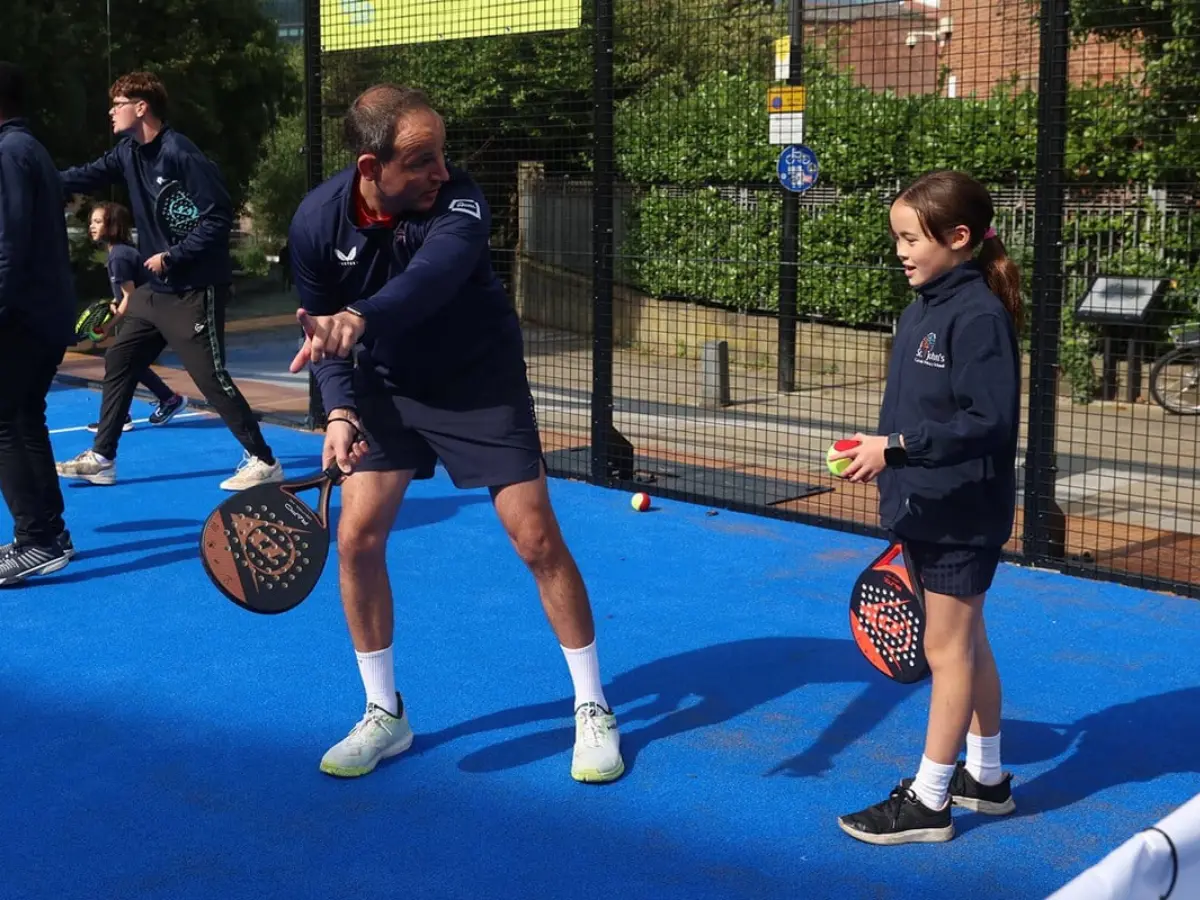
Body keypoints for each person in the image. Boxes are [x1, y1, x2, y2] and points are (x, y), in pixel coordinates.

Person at [286, 84, 624, 783]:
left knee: (534, 537)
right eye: (421, 160)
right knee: (356, 536)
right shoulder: (315, 223)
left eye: (442, 153)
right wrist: (341, 410)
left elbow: (431, 281)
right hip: (383, 388)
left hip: (477, 382)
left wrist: (362, 318)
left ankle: (592, 706)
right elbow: (320, 336)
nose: (442, 169)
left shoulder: (461, 201)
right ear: (369, 167)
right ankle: (385, 714)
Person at [830, 170, 1022, 845]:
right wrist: (878, 451)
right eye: (898, 238)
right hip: (928, 505)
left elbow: (989, 423)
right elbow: (916, 413)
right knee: (968, 643)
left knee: (948, 651)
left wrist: (898, 448)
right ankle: (988, 779)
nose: (902, 251)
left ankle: (931, 800)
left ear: (959, 237)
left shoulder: (978, 317)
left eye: (911, 238)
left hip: (962, 512)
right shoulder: (922, 307)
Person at [53, 71, 281, 490]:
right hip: (153, 294)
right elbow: (82, 175)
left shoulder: (182, 154)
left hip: (194, 289)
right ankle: (103, 457)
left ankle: (263, 459)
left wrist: (173, 256)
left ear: (141, 107)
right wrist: (32, 174)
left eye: (117, 103)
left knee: (210, 378)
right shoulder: (127, 153)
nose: (110, 111)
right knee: (120, 360)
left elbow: (218, 217)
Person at [0, 62, 77, 583]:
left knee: (6, 421)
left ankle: (37, 539)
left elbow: (8, 243)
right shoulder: (29, 149)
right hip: (42, 312)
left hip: (23, 315)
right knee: (24, 417)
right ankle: (49, 534)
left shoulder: (8, 152)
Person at [85, 200, 188, 433]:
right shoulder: (121, 253)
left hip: (148, 316)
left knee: (118, 359)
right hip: (147, 312)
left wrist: (109, 326)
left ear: (113, 225)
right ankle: (166, 400)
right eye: (91, 221)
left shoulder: (118, 257)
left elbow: (131, 297)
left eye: (98, 221)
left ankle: (124, 415)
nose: (92, 226)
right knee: (130, 363)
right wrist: (115, 303)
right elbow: (127, 294)